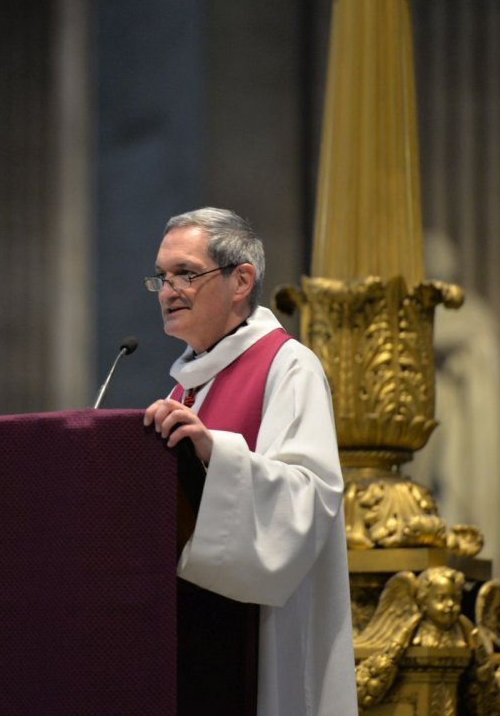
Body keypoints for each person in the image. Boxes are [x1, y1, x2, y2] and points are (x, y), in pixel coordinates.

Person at [143, 207, 357, 716]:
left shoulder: (289, 366)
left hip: (258, 635)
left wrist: (216, 452)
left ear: (241, 280)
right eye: (162, 277)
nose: (169, 291)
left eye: (186, 274)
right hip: (193, 633)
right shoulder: (187, 386)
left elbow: (310, 496)